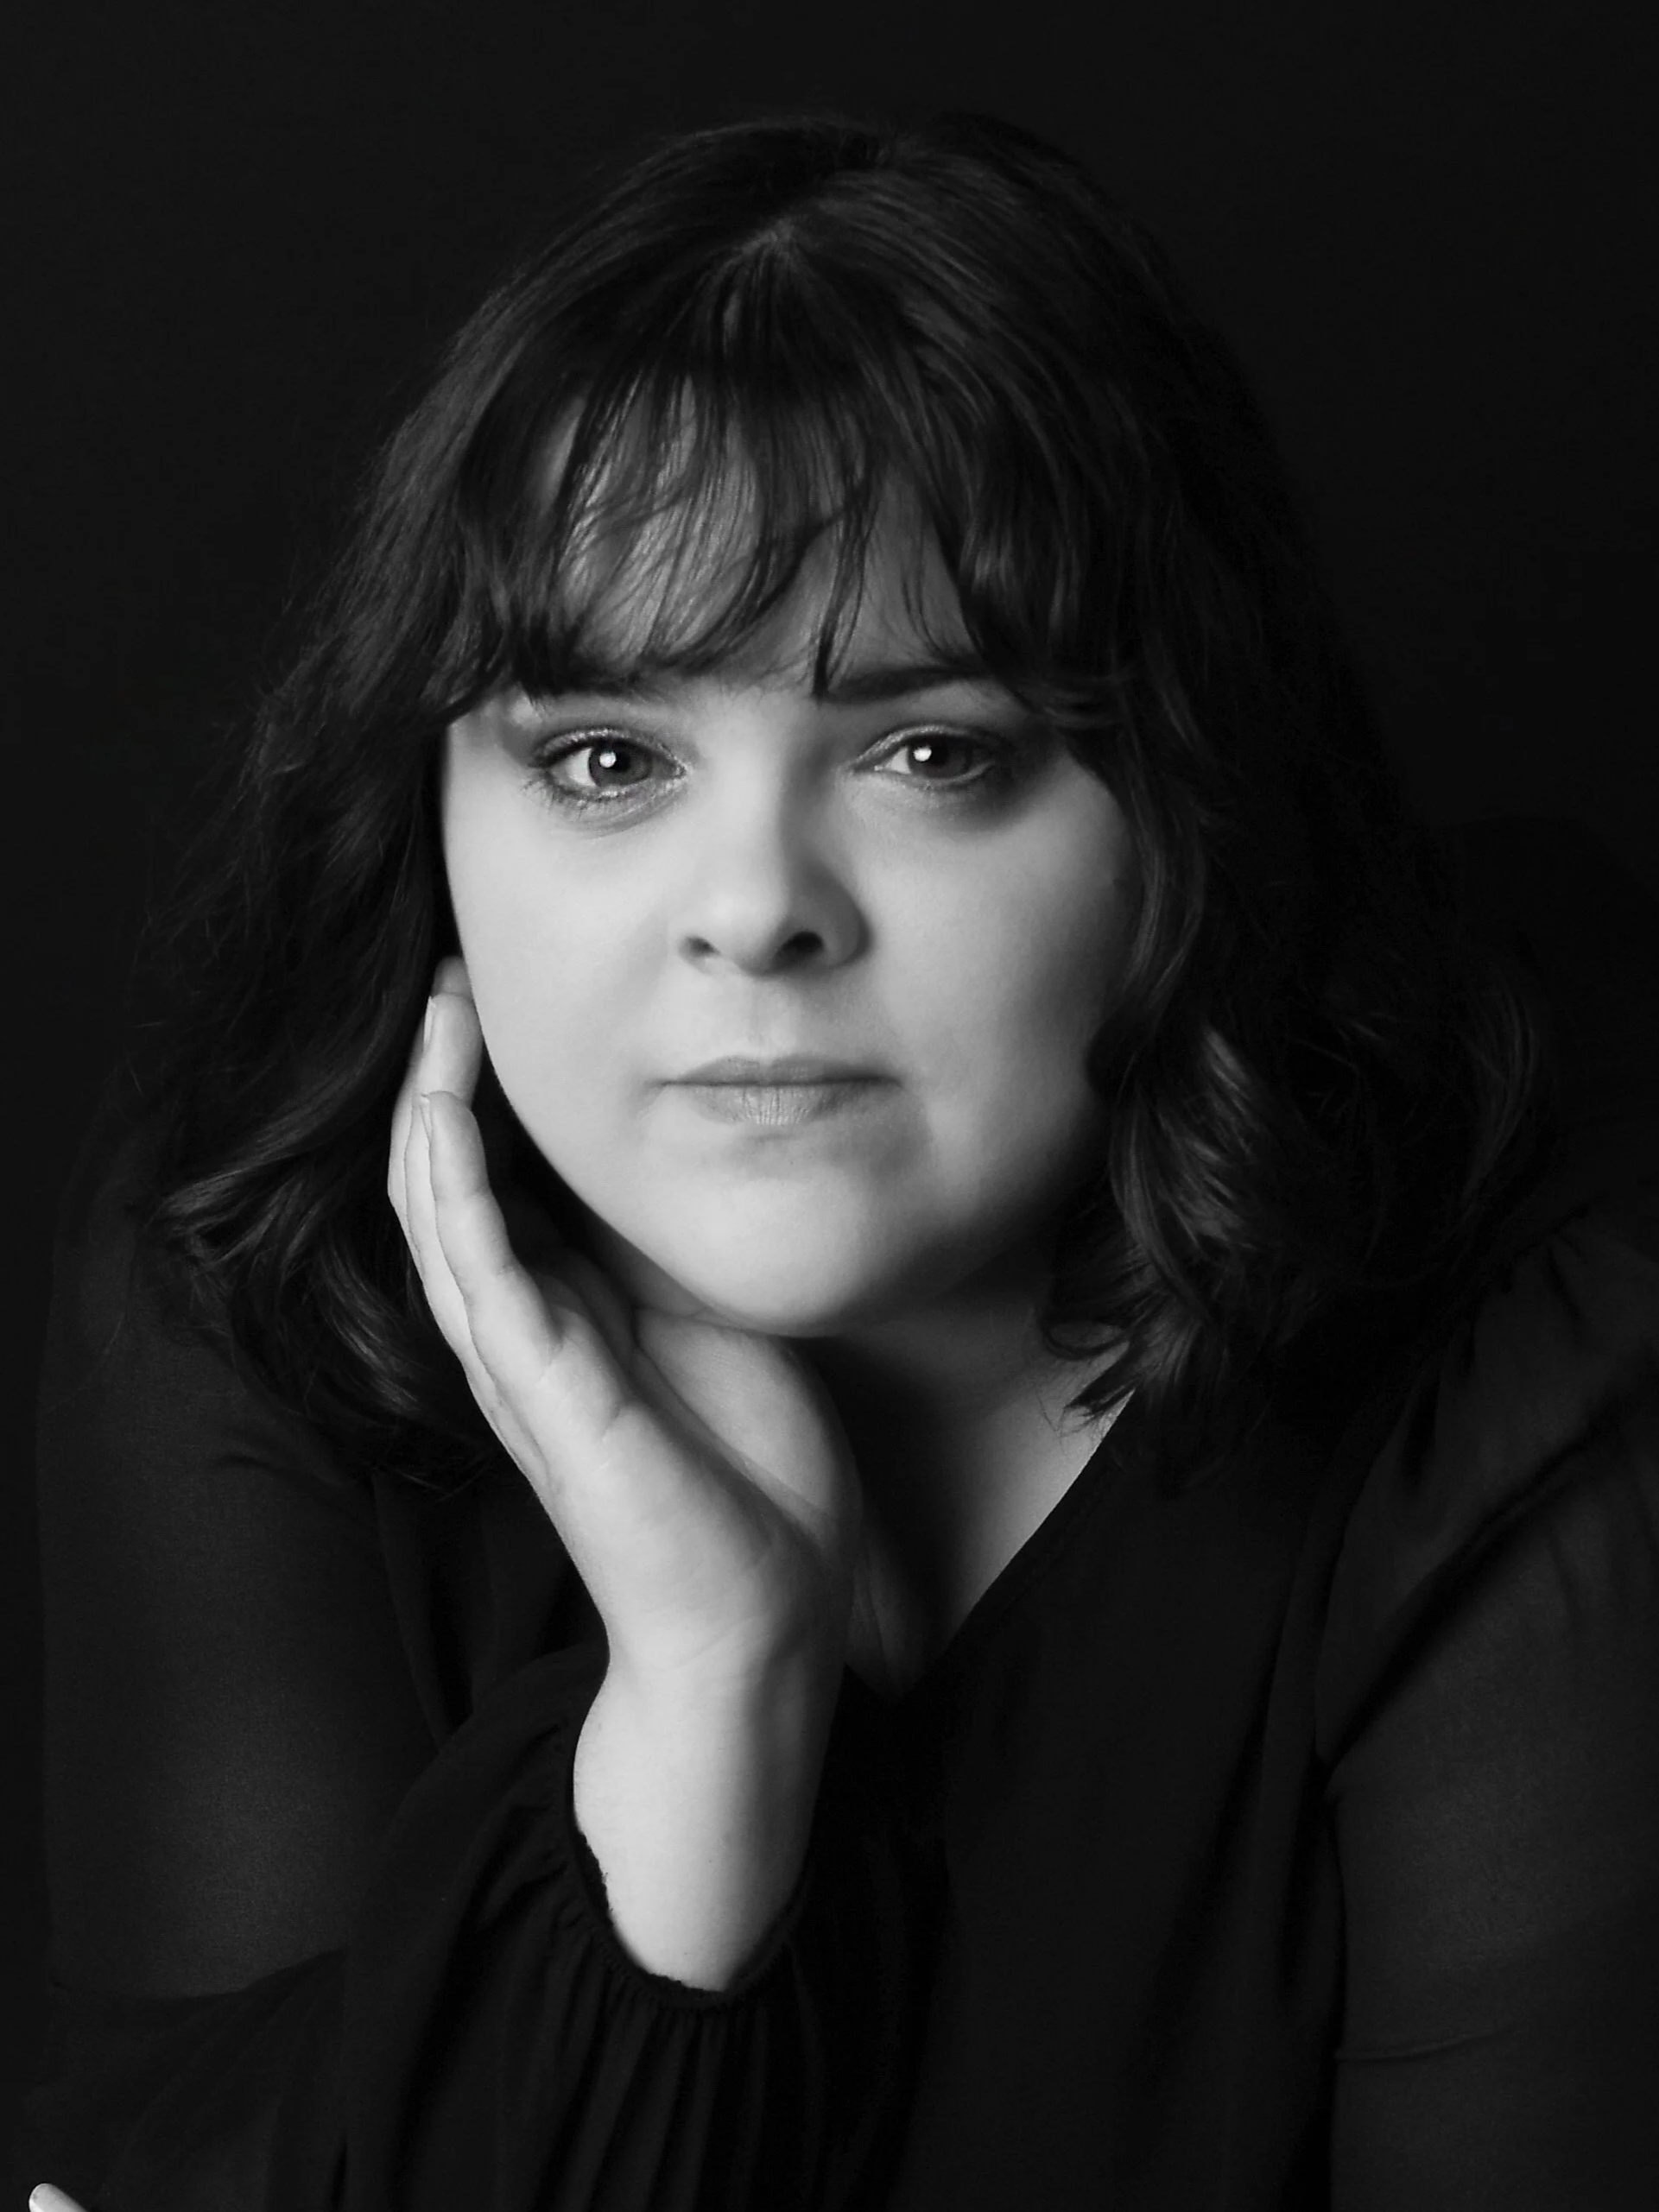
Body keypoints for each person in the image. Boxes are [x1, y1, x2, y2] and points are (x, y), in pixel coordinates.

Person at [17, 109, 1659, 2212]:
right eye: (609, 759)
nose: (755, 910)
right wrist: (707, 1700)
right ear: (433, 811)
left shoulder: (1533, 1357)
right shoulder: (262, 1281)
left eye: (930, 753)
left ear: (1190, 815)